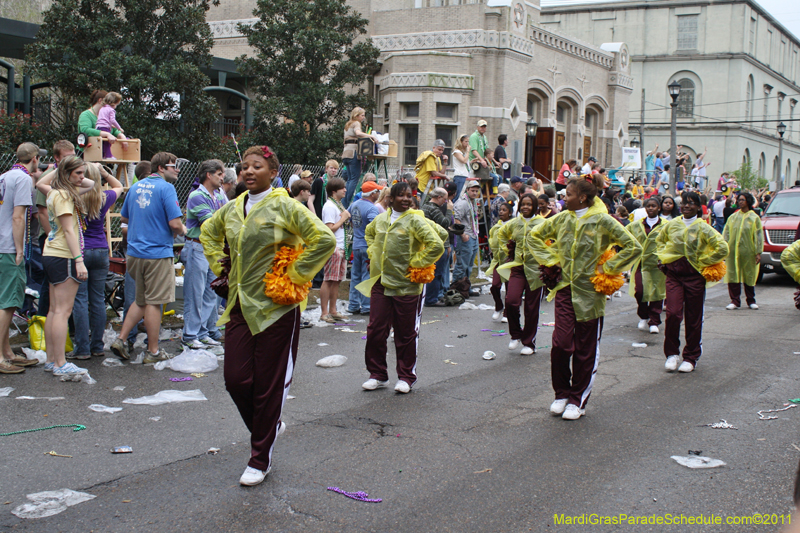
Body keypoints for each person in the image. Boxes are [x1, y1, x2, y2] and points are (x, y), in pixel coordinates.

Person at [201, 145, 336, 486]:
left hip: (278, 307)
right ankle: (270, 426)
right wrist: (222, 266)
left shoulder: (286, 206)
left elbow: (323, 239)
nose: (247, 171)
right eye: (244, 166)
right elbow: (207, 233)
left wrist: (294, 273)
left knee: (268, 385)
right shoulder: (231, 209)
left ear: (273, 172)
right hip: (240, 307)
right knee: (236, 379)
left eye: (256, 166)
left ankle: (259, 458)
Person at [527, 178, 641, 420]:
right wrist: (552, 261)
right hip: (566, 289)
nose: (563, 198)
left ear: (582, 198)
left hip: (590, 293)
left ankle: (577, 399)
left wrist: (607, 268)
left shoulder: (602, 220)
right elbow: (534, 237)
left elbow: (632, 247)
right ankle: (561, 393)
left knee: (585, 348)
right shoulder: (562, 218)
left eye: (568, 194)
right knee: (561, 344)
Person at [358, 182, 446, 394]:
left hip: (407, 284)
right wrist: (373, 252)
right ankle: (377, 375)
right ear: (391, 198)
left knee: (405, 333)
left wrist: (417, 262)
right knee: (376, 330)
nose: (406, 199)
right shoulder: (380, 220)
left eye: (410, 195)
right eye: (402, 195)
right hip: (381, 283)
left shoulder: (416, 219)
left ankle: (406, 376)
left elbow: (438, 242)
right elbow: (368, 234)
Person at [110, 152, 186, 363]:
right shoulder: (167, 188)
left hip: (135, 253)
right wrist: (184, 230)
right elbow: (175, 224)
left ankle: (121, 339)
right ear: (161, 168)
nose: (177, 169)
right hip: (157, 254)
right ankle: (153, 352)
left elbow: (124, 217)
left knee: (141, 299)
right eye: (173, 165)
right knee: (155, 302)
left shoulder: (136, 186)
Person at [36, 156, 96, 377]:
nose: (83, 177)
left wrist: (66, 168)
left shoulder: (57, 192)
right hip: (64, 256)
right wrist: (79, 260)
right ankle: (60, 363)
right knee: (62, 311)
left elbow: (91, 184)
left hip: (53, 253)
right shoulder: (63, 195)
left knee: (54, 311)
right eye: (78, 173)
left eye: (83, 172)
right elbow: (69, 230)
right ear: (66, 174)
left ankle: (52, 359)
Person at [656, 191, 728, 374]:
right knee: (672, 314)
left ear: (698, 207)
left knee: (693, 317)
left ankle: (691, 356)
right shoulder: (671, 225)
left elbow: (722, 248)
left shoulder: (704, 228)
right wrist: (664, 259)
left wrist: (703, 262)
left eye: (691, 203)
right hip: (674, 276)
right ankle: (672, 354)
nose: (686, 206)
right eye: (684, 203)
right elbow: (659, 241)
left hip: (695, 278)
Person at [71, 163, 123, 360]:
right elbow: (118, 186)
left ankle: (82, 348)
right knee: (98, 299)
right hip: (101, 249)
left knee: (80, 300)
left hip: (80, 248)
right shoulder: (104, 197)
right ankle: (97, 346)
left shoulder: (75, 197)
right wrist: (104, 173)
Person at [0, 143, 41, 374]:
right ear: (34, 159)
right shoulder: (24, 180)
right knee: (9, 303)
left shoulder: (4, 176)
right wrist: (18, 249)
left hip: (0, 244)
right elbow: (18, 217)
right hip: (9, 246)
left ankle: (7, 352)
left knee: (3, 300)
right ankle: (1, 356)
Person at [182, 159, 228, 349]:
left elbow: (227, 216)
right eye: (219, 174)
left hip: (214, 249)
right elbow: (211, 223)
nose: (222, 178)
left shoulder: (219, 194)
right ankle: (189, 334)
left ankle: (203, 332)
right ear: (208, 175)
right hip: (198, 247)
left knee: (211, 292)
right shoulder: (197, 195)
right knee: (195, 292)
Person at [496, 194, 545, 355]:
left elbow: (554, 241)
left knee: (531, 307)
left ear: (535, 206)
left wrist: (546, 257)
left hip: (536, 270)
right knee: (511, 301)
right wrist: (507, 250)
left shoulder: (543, 223)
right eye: (523, 204)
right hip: (517, 268)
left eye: (529, 204)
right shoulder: (514, 223)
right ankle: (515, 334)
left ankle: (529, 343)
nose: (525, 207)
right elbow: (501, 235)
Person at [628, 197, 666, 334]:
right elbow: (624, 236)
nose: (650, 208)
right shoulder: (636, 225)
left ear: (659, 208)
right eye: (648, 206)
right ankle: (644, 315)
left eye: (653, 206)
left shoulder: (666, 225)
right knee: (640, 291)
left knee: (657, 292)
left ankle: (654, 320)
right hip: (641, 263)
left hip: (658, 265)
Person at [723, 192, 763, 310]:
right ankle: (735, 300)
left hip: (748, 251)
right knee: (733, 274)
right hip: (733, 251)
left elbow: (759, 236)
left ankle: (751, 300)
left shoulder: (754, 218)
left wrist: (758, 252)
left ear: (748, 202)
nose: (740, 202)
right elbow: (726, 233)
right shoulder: (733, 217)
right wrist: (724, 248)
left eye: (743, 200)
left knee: (749, 275)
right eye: (739, 200)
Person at [348, 181, 383, 315]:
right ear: (372, 194)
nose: (378, 193)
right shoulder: (371, 208)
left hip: (356, 245)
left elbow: (350, 221)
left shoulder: (354, 204)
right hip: (367, 246)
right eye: (377, 191)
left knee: (355, 276)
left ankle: (353, 305)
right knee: (367, 276)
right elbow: (374, 227)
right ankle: (367, 306)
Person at [422, 187, 454, 307]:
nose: (445, 203)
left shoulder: (425, 206)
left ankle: (433, 296)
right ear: (439, 197)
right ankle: (431, 299)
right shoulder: (434, 209)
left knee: (434, 272)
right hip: (436, 245)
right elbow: (445, 224)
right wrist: (449, 210)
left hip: (431, 244)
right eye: (445, 200)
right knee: (436, 273)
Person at [342, 107, 378, 207]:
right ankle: (348, 202)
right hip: (353, 153)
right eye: (362, 115)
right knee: (354, 178)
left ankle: (345, 201)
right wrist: (371, 136)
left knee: (349, 179)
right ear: (357, 115)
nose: (363, 117)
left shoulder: (347, 124)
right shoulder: (356, 123)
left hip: (346, 153)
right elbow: (358, 133)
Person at [452, 181, 482, 295]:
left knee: (469, 265)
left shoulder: (472, 202)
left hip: (473, 234)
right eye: (472, 191)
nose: (475, 193)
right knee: (461, 264)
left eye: (476, 191)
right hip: (465, 236)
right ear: (467, 190)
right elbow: (456, 220)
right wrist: (463, 235)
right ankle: (456, 289)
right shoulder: (463, 203)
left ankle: (466, 288)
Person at [486, 201, 512, 319]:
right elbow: (493, 240)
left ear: (510, 213)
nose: (501, 212)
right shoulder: (496, 226)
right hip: (497, 260)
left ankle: (507, 312)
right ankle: (498, 306)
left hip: (509, 261)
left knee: (509, 288)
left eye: (504, 210)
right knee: (495, 286)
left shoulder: (513, 226)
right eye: (500, 210)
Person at [96, 92, 127, 160]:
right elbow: (113, 120)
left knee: (103, 142)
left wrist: (110, 125)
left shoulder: (102, 108)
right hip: (105, 127)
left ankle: (103, 155)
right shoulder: (111, 110)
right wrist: (119, 128)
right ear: (114, 103)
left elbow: (102, 118)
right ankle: (108, 156)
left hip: (98, 127)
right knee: (108, 142)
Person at [469, 120, 497, 193]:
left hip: (482, 162)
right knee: (486, 175)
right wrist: (481, 160)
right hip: (475, 163)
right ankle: (479, 191)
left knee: (496, 174)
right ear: (477, 127)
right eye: (481, 126)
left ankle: (486, 192)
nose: (483, 128)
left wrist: (494, 161)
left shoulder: (484, 137)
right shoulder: (474, 136)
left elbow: (487, 151)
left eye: (484, 127)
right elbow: (474, 150)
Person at [452, 134, 471, 199]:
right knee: (457, 195)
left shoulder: (463, 153)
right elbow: (464, 161)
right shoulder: (456, 151)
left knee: (463, 196)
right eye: (466, 141)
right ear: (461, 142)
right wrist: (468, 151)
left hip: (465, 175)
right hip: (459, 175)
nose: (467, 143)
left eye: (468, 141)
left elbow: (465, 163)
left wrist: (471, 162)